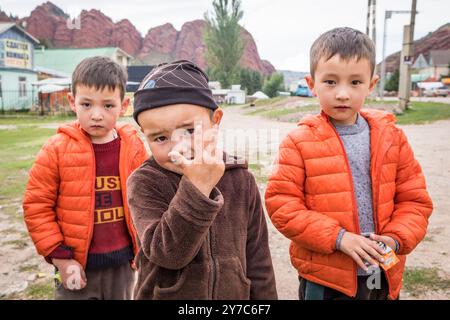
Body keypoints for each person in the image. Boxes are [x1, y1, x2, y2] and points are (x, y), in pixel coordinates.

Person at [265, 27, 433, 300]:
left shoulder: (392, 137)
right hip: (326, 277)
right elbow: (282, 206)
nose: (342, 93)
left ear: (372, 84)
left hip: (382, 272)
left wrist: (394, 239)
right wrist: (339, 238)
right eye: (330, 82)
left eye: (355, 82)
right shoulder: (299, 141)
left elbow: (415, 202)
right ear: (311, 84)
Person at [127, 60, 277, 300]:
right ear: (146, 136)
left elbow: (258, 260)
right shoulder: (144, 182)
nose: (179, 148)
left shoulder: (241, 179)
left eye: (189, 131)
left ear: (215, 121)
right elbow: (168, 254)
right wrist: (197, 188)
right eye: (161, 138)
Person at [23, 56, 148, 299]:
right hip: (75, 265)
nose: (97, 115)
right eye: (87, 104)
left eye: (108, 106)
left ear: (124, 106)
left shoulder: (133, 147)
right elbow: (36, 206)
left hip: (123, 265)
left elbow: (147, 197)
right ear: (73, 102)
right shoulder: (56, 149)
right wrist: (61, 259)